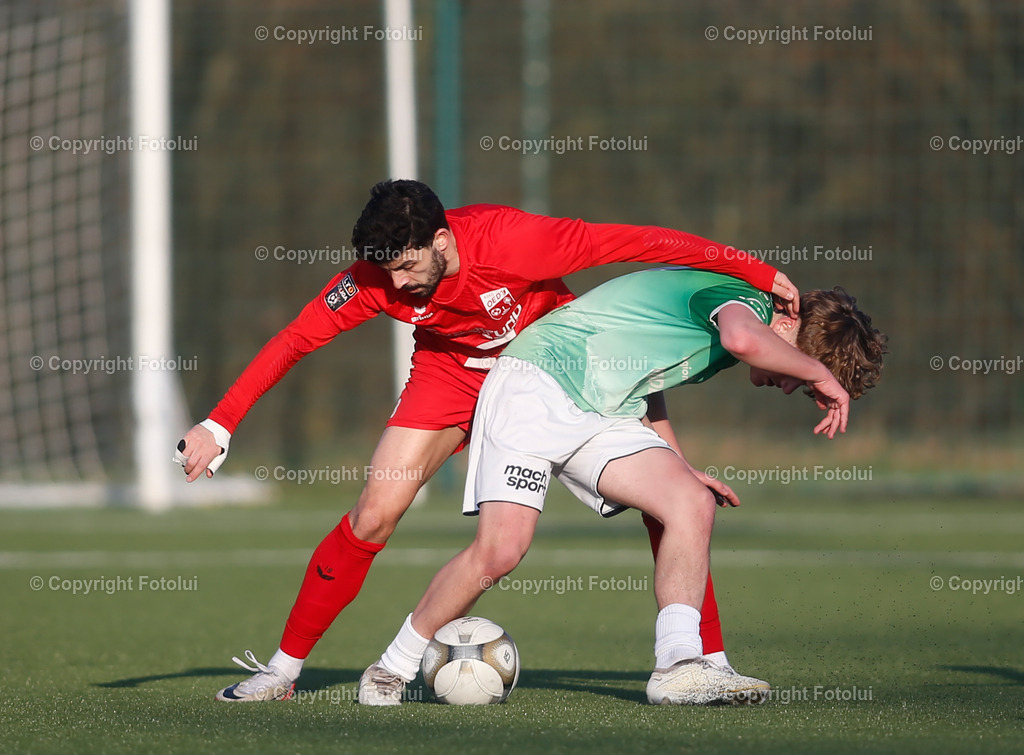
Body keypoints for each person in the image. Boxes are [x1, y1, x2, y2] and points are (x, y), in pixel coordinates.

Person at [173, 180, 799, 702]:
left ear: (441, 240)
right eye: (385, 273)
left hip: (562, 369)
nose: (396, 287)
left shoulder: (516, 241)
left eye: (408, 267)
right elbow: (295, 339)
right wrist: (219, 423)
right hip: (448, 379)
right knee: (373, 515)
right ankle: (283, 670)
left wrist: (758, 270)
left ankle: (704, 662)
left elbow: (640, 241)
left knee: (674, 498)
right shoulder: (372, 277)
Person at [360, 266, 887, 705]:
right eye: (797, 371)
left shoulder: (743, 326)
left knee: (690, 502)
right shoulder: (742, 299)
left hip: (604, 410)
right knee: (501, 551)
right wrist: (821, 375)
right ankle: (392, 666)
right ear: (792, 324)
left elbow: (647, 383)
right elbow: (743, 339)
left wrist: (678, 465)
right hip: (537, 387)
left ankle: (678, 666)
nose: (788, 383)